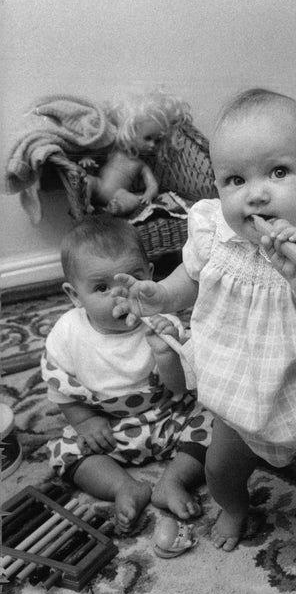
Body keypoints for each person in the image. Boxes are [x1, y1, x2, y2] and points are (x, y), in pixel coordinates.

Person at [111, 88, 296, 590]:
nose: (256, 194)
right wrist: (161, 294)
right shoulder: (215, 231)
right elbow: (192, 279)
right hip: (236, 394)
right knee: (220, 472)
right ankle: (236, 510)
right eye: (235, 180)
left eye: (278, 173)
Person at [42, 214, 212, 534]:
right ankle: (123, 486)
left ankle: (173, 480)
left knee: (219, 421)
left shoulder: (163, 322)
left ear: (149, 276)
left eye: (129, 279)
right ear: (75, 295)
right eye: (101, 287)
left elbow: (180, 389)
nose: (118, 296)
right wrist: (85, 421)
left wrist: (165, 353)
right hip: (112, 428)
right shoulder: (67, 334)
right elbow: (60, 387)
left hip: (167, 415)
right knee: (65, 451)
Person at [81, 91, 191, 216]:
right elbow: (96, 153)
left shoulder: (140, 165)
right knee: (87, 180)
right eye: (148, 138)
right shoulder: (113, 151)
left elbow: (153, 185)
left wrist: (148, 195)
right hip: (98, 185)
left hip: (119, 193)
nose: (152, 145)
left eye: (157, 141)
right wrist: (87, 159)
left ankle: (117, 208)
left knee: (133, 200)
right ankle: (86, 203)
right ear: (131, 132)